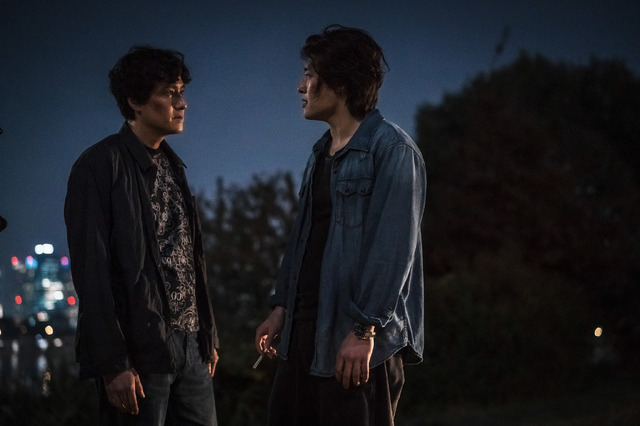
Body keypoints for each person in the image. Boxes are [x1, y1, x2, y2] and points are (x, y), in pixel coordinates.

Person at [255, 25, 427, 426]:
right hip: (303, 335)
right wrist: (281, 308)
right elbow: (303, 240)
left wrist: (364, 330)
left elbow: (393, 250)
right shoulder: (320, 154)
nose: (301, 87)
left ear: (342, 84)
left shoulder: (393, 149)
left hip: (355, 342)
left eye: (309, 75)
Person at [65, 46, 219, 425]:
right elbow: (92, 272)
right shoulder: (100, 165)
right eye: (168, 93)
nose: (181, 103)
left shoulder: (173, 166)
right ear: (135, 100)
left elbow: (189, 258)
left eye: (181, 92)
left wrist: (208, 333)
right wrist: (113, 363)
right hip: (140, 351)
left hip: (192, 347)